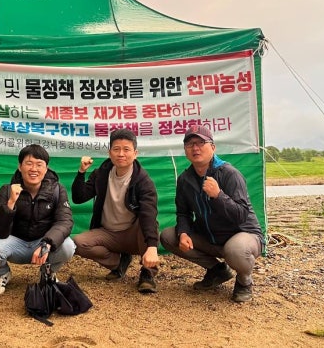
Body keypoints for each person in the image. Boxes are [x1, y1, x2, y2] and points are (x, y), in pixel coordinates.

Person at [160, 125, 265, 303]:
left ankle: (244, 280)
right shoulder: (185, 179)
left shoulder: (229, 174)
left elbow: (241, 215)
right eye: (190, 144)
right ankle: (218, 270)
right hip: (210, 237)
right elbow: (183, 213)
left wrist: (218, 195)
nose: (195, 148)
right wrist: (183, 232)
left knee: (236, 250)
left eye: (201, 143)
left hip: (242, 235)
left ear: (213, 147)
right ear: (185, 150)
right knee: (169, 236)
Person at [71, 128, 160, 294]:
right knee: (78, 243)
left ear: (135, 153)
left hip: (133, 234)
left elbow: (149, 214)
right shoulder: (101, 174)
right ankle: (119, 263)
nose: (121, 154)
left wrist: (152, 247)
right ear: (109, 153)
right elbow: (78, 197)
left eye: (126, 149)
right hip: (109, 233)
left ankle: (148, 273)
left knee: (148, 222)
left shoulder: (143, 181)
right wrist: (81, 172)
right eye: (116, 149)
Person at [0, 144, 76, 295]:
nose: (34, 169)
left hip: (42, 243)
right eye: (29, 163)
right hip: (16, 244)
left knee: (68, 246)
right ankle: (2, 274)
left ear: (46, 169)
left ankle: (48, 272)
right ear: (20, 167)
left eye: (39, 164)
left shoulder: (57, 190)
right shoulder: (6, 190)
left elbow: (64, 221)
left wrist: (47, 243)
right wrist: (11, 203)